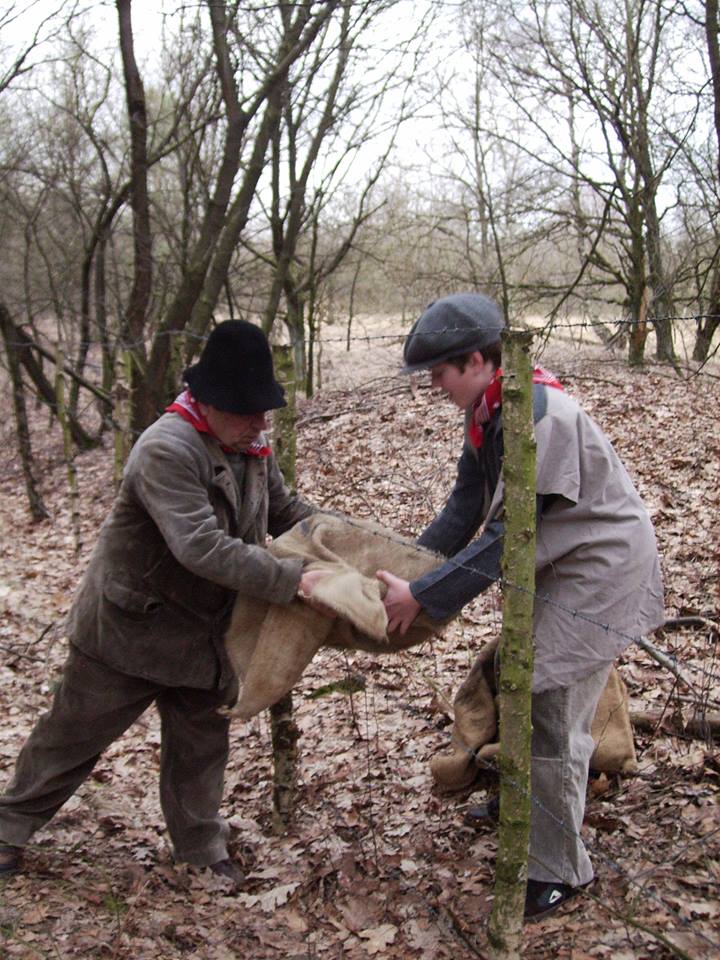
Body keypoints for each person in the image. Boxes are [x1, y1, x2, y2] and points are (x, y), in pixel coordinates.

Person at [0, 320, 328, 883]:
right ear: (209, 401)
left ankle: (201, 849)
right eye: (248, 408)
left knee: (202, 747)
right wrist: (293, 579)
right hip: (130, 630)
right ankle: (6, 830)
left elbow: (287, 512)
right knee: (71, 738)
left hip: (206, 632)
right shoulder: (166, 449)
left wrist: (348, 543)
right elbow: (199, 546)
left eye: (263, 408)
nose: (260, 420)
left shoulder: (250, 445)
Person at [376, 293, 664, 921]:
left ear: (478, 359)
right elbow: (464, 507)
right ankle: (525, 806)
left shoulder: (536, 412)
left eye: (440, 372)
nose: (433, 386)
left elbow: (509, 537)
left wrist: (423, 598)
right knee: (524, 684)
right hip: (562, 563)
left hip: (599, 568)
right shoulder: (489, 410)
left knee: (550, 701)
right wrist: (407, 568)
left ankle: (558, 870)